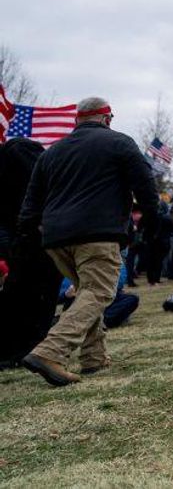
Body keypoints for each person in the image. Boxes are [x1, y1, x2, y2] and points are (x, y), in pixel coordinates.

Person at [17, 97, 159, 386]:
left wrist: (28, 235)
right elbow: (144, 183)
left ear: (76, 120)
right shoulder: (119, 143)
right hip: (98, 233)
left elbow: (31, 203)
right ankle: (50, 351)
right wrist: (150, 219)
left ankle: (94, 358)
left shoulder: (51, 152)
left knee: (86, 292)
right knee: (98, 292)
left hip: (56, 238)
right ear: (107, 118)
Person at [0, 137, 61, 369]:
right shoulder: (20, 153)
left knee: (20, 296)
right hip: (34, 237)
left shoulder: (13, 157)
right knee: (36, 297)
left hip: (19, 239)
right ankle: (26, 348)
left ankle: (15, 349)